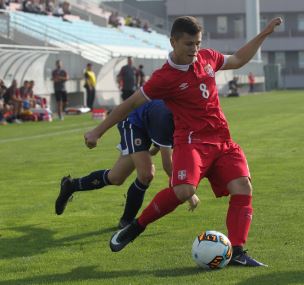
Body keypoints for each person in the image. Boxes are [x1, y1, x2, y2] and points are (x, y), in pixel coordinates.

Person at [84, 16, 283, 267]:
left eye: (198, 43)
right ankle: (135, 227)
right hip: (191, 141)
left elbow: (238, 59)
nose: (195, 50)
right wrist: (98, 131)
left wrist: (264, 33)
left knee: (243, 186)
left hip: (222, 140)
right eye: (189, 44)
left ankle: (238, 252)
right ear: (173, 42)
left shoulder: (207, 57)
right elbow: (130, 104)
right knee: (184, 191)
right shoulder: (163, 78)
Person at [55, 100, 200, 228]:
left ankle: (71, 185)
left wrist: (151, 151)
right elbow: (168, 165)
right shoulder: (168, 117)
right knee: (147, 174)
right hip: (133, 122)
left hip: (148, 124)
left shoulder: (184, 117)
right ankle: (127, 222)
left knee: (116, 177)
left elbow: (163, 141)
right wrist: (188, 193)